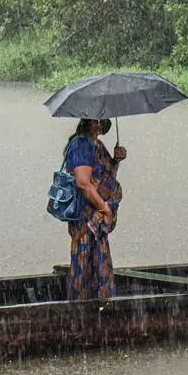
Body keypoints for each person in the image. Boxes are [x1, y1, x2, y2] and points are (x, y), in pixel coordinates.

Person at [62, 118, 127, 300]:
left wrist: (116, 161)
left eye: (101, 120)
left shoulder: (98, 144)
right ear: (86, 121)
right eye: (94, 120)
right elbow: (83, 183)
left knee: (99, 262)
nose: (98, 124)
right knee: (84, 262)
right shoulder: (81, 144)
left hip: (97, 215)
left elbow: (107, 177)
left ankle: (100, 307)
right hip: (85, 215)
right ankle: (81, 310)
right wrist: (105, 208)